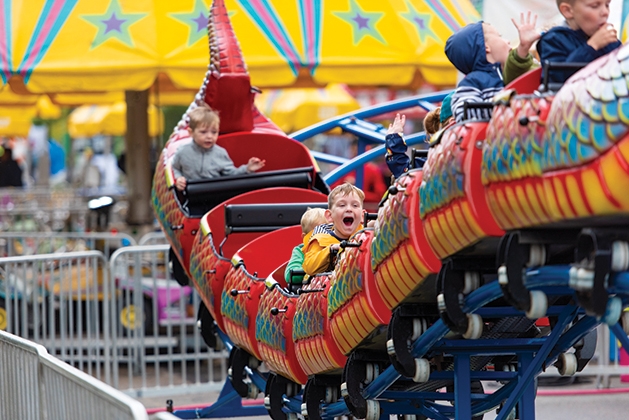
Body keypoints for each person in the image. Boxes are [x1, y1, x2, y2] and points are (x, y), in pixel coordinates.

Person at [445, 13, 540, 123]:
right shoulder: (472, 82)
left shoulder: (511, 72)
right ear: (486, 47)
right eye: (500, 36)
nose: (508, 41)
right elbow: (464, 113)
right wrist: (503, 106)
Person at [172, 107, 266, 191]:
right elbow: (175, 167)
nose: (209, 136)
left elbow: (231, 174)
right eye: (203, 132)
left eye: (214, 132)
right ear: (191, 132)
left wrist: (247, 169)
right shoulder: (183, 152)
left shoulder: (220, 153)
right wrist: (179, 178)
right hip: (191, 195)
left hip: (214, 195)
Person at [537, 0, 621, 84]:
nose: (605, 12)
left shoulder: (611, 42)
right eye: (595, 6)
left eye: (607, 5)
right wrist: (592, 47)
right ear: (568, 10)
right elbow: (558, 79)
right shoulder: (553, 40)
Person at [302, 183, 365, 276]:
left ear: (362, 216)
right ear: (330, 216)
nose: (349, 209)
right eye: (342, 205)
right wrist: (330, 250)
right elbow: (309, 267)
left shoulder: (366, 236)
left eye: (355, 205)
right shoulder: (320, 239)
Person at [331, 138, 387, 205]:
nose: (355, 152)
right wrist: (345, 188)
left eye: (357, 149)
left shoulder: (373, 170)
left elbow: (380, 195)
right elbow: (331, 192)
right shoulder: (343, 168)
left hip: (366, 209)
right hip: (346, 206)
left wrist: (355, 192)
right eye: (354, 149)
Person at [284, 207, 328, 285]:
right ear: (305, 237)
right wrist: (313, 268)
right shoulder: (300, 251)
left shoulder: (336, 246)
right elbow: (290, 275)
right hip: (308, 291)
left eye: (329, 232)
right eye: (317, 233)